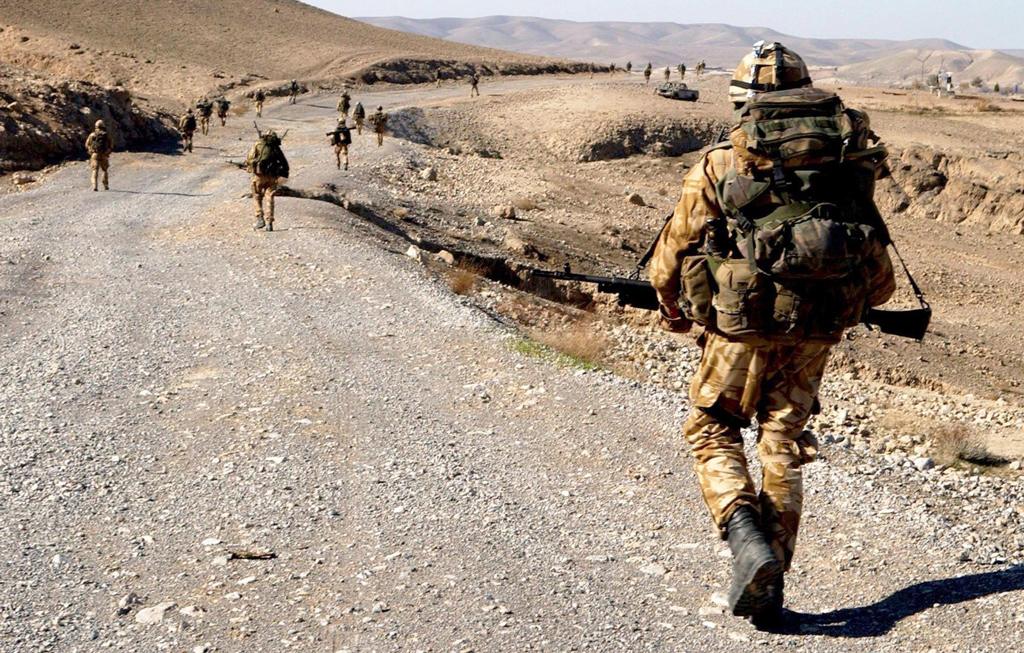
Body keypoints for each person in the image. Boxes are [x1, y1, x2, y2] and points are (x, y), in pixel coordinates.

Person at [649, 41, 896, 628]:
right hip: (819, 323)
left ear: (744, 103)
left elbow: (674, 249)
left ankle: (743, 536)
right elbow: (877, 262)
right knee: (781, 437)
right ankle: (772, 576)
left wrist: (669, 301)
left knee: (711, 428)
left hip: (740, 324)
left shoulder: (721, 162)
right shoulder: (843, 162)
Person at [245, 129, 289, 232]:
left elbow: (250, 158)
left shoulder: (258, 144)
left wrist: (251, 165)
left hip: (259, 176)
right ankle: (269, 223)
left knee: (257, 196)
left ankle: (260, 218)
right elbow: (284, 163)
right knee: (270, 197)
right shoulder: (276, 147)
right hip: (272, 177)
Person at [85, 119, 113, 191]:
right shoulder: (106, 135)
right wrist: (108, 152)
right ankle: (105, 185)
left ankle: (95, 186)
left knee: (95, 170)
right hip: (104, 154)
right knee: (104, 170)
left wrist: (90, 151)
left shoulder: (92, 135)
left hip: (95, 155)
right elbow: (111, 145)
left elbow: (87, 144)